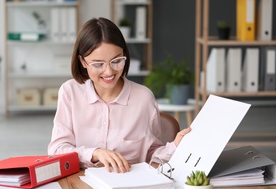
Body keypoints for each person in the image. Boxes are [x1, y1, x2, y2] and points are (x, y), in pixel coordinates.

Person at [48, 17, 191, 173]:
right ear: (82, 62)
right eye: (98, 64)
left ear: (125, 54)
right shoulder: (70, 92)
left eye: (116, 61)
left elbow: (151, 154)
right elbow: (57, 150)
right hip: (82, 181)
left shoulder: (143, 98)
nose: (109, 72)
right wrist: (94, 153)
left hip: (129, 183)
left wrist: (175, 146)